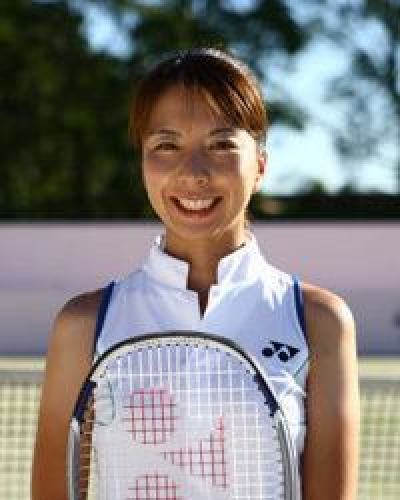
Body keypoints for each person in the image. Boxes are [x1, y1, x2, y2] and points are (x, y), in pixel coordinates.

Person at [32, 47, 360, 499]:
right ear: (143, 165)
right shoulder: (83, 325)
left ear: (260, 166)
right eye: (166, 145)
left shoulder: (319, 320)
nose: (193, 172)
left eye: (221, 144)